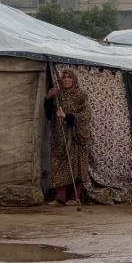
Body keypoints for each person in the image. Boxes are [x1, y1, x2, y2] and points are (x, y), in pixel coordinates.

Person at [44, 69, 91, 205]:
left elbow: (86, 115)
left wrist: (67, 117)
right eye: (64, 77)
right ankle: (60, 198)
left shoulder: (81, 95)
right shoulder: (58, 95)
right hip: (60, 136)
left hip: (76, 136)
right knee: (59, 165)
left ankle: (75, 197)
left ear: (74, 79)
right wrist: (48, 98)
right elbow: (49, 114)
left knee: (76, 165)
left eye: (69, 77)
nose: (66, 79)